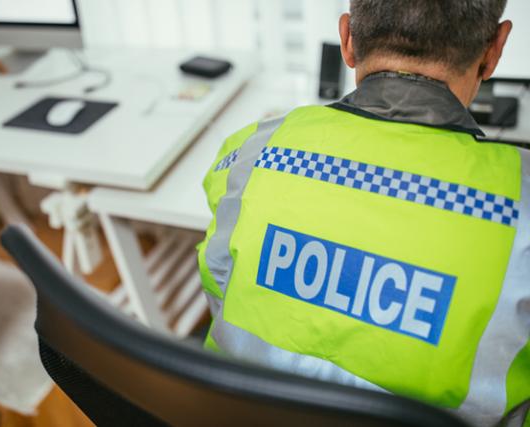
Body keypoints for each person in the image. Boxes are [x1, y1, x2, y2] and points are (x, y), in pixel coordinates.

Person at [197, 1, 529, 425]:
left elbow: (218, 284)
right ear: (494, 51)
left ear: (348, 40)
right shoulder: (520, 207)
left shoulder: (252, 151)